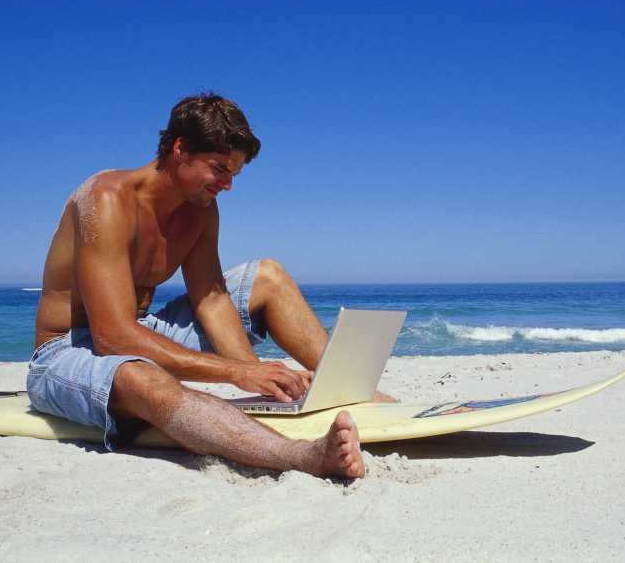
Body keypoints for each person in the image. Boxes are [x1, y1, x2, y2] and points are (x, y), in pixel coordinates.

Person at [28, 93, 387, 478]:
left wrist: (259, 374)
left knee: (267, 275)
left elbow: (212, 299)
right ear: (180, 148)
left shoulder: (199, 210)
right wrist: (235, 373)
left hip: (141, 327)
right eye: (219, 168)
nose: (228, 184)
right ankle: (305, 458)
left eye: (234, 173)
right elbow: (112, 338)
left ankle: (352, 389)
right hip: (68, 350)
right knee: (138, 373)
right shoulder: (106, 199)